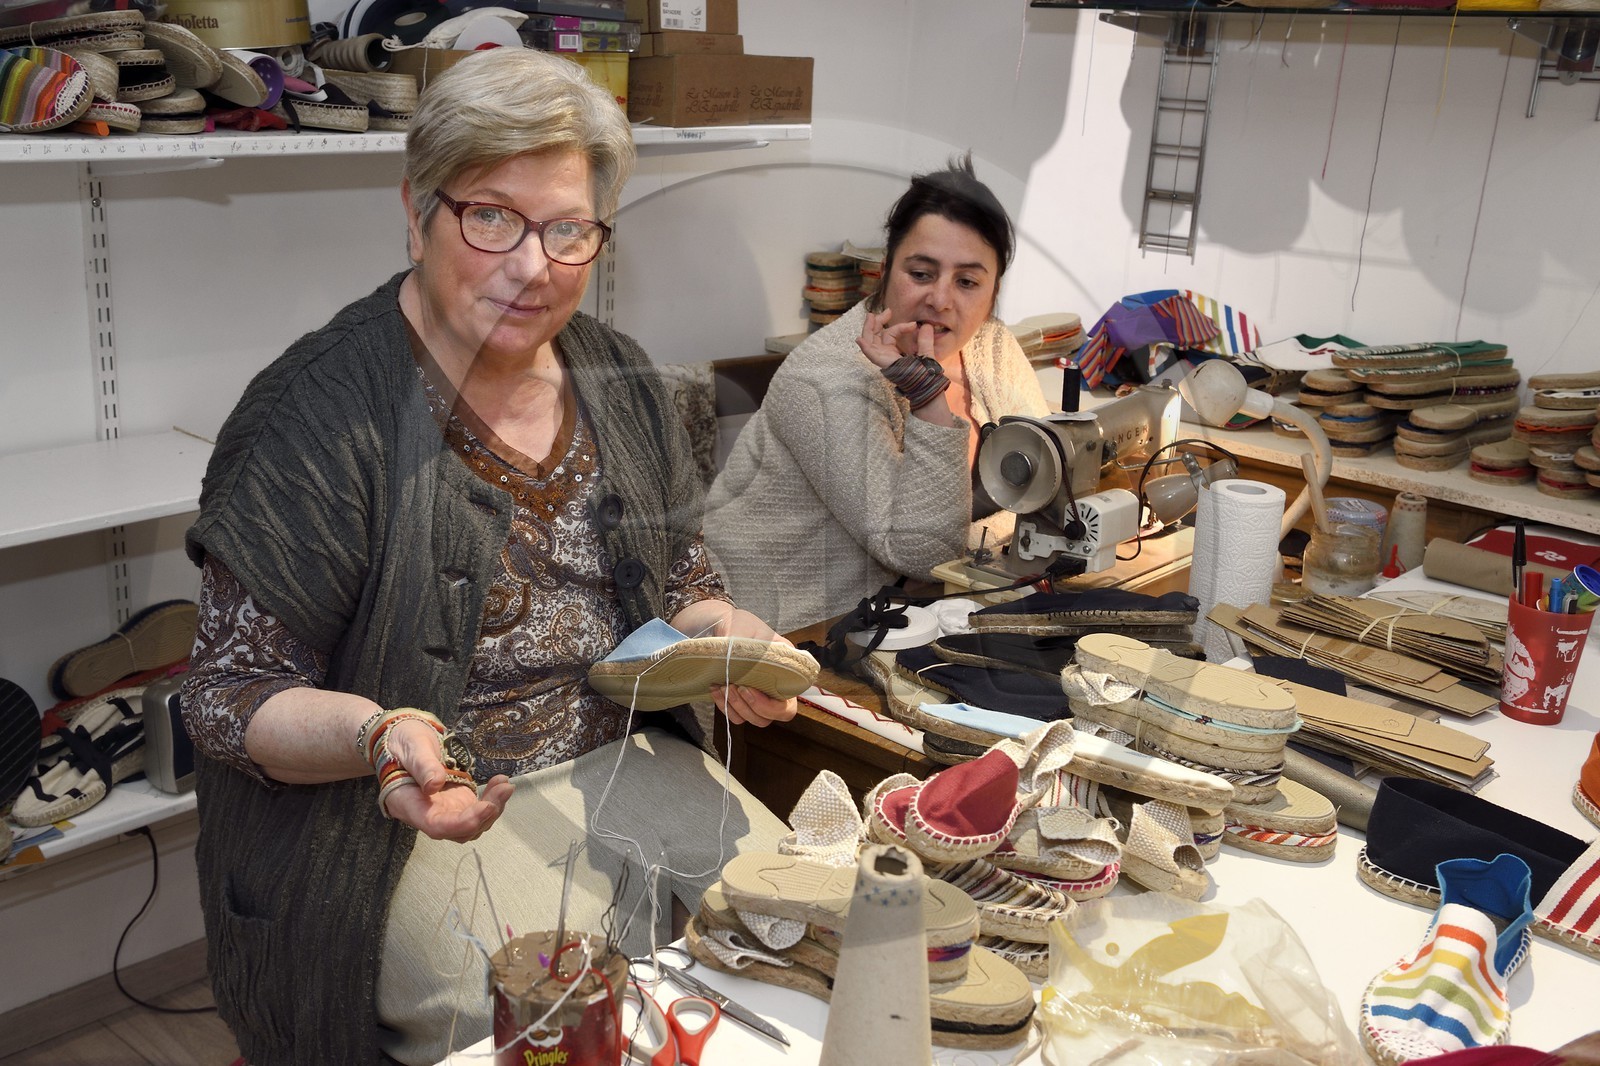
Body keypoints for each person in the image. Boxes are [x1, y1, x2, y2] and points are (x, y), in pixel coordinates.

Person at [179, 49, 797, 1066]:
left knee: (802, 924)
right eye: (492, 218)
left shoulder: (621, 377)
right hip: (393, 823)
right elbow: (230, 696)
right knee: (541, 1022)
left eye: (568, 230)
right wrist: (383, 736)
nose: (532, 265)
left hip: (618, 758)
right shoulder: (318, 419)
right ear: (417, 206)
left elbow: (679, 581)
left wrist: (722, 637)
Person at [703, 154, 1050, 634]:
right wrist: (930, 396)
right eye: (921, 273)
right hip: (782, 638)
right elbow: (920, 550)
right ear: (885, 271)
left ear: (993, 292)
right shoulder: (825, 379)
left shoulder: (991, 346)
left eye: (968, 281)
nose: (941, 299)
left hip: (917, 618)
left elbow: (1046, 483)